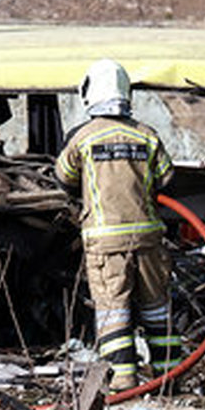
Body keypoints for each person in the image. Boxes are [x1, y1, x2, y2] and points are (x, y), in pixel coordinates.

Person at [55, 58, 178, 393]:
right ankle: (170, 376)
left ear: (89, 92)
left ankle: (124, 380)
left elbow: (64, 178)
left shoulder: (82, 138)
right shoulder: (147, 135)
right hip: (148, 237)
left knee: (114, 310)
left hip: (105, 242)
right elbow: (167, 179)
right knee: (156, 307)